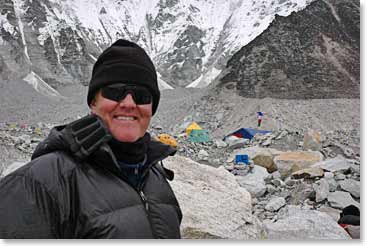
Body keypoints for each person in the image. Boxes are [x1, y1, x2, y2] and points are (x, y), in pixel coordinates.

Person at [0, 39, 182, 238]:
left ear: (151, 108)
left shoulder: (155, 176)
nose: (129, 103)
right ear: (93, 102)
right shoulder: (38, 182)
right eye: (115, 91)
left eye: (142, 95)